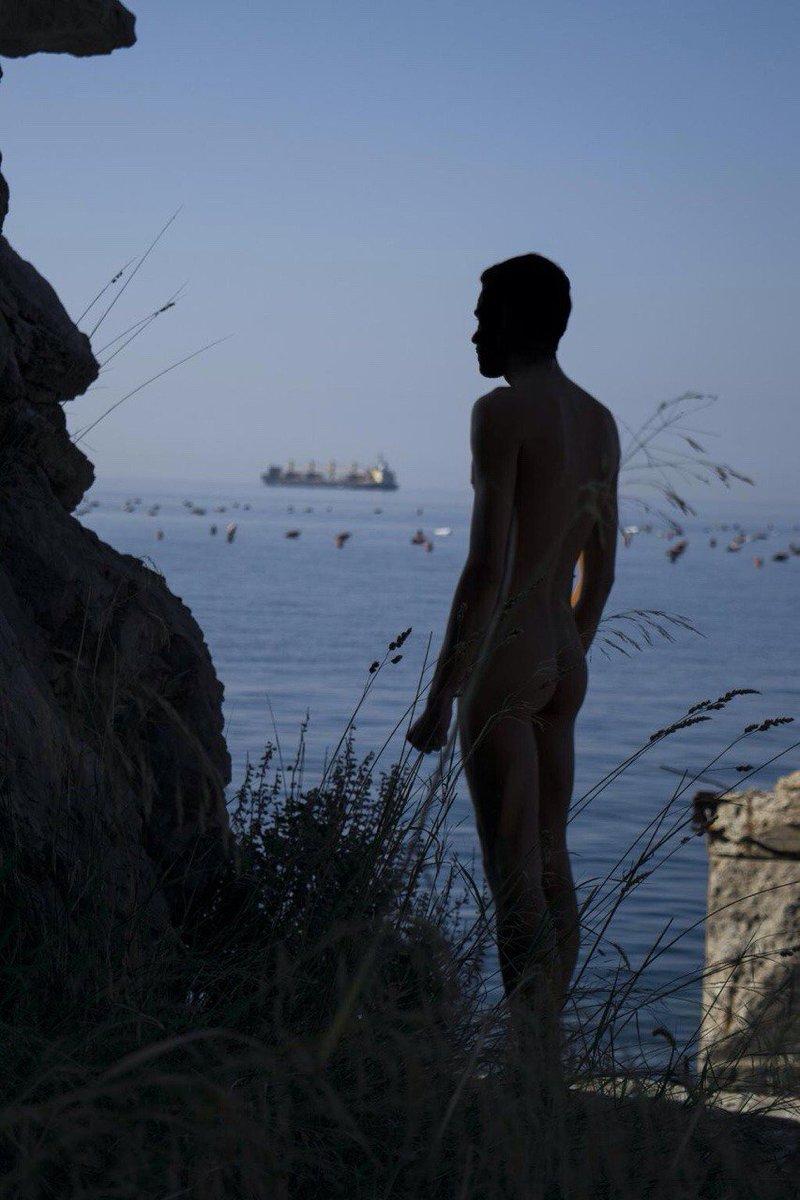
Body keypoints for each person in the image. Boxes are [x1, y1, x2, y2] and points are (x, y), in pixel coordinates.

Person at [407, 254, 619, 1014]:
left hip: (508, 654)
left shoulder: (499, 413)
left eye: (482, 316)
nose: (473, 334)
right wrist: (564, 659)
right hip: (564, 653)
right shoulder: (598, 420)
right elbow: (602, 573)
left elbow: (485, 569)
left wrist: (442, 693)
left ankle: (526, 1051)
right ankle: (548, 1049)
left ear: (515, 321)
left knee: (512, 875)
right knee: (553, 859)